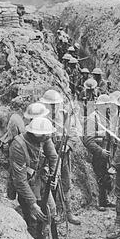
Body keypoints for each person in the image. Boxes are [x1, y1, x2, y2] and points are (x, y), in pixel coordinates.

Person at [8, 117, 60, 239]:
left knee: (51, 209)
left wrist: (54, 174)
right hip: (27, 185)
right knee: (33, 217)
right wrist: (32, 203)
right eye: (45, 136)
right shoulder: (18, 145)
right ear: (35, 134)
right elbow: (20, 180)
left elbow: (54, 157)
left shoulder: (44, 138)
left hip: (42, 181)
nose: (48, 137)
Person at [40, 90, 82, 226]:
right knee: (50, 183)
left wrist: (68, 146)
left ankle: (68, 212)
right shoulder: (41, 119)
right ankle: (54, 214)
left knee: (65, 183)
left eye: (55, 105)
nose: (52, 108)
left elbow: (75, 134)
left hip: (63, 156)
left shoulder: (65, 117)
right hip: (48, 158)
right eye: (50, 105)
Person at [82, 94, 115, 211]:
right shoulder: (93, 118)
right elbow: (88, 140)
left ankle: (104, 200)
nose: (108, 108)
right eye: (106, 106)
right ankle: (97, 202)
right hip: (96, 154)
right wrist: (100, 151)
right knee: (97, 178)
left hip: (105, 153)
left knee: (105, 176)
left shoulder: (105, 117)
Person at [0, 114, 26, 200]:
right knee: (12, 178)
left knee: (18, 179)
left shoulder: (22, 137)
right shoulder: (9, 137)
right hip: (13, 160)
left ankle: (17, 197)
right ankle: (11, 196)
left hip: (19, 160)